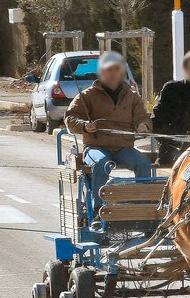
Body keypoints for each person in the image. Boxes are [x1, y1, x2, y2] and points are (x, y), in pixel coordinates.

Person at [65, 51, 152, 229]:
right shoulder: (87, 95)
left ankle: (143, 209)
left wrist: (143, 126)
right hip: (96, 146)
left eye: (116, 70)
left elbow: (143, 118)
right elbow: (70, 118)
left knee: (143, 163)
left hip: (123, 147)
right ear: (101, 72)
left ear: (121, 72)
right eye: (108, 70)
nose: (112, 74)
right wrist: (84, 126)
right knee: (102, 163)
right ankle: (99, 211)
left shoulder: (132, 95)